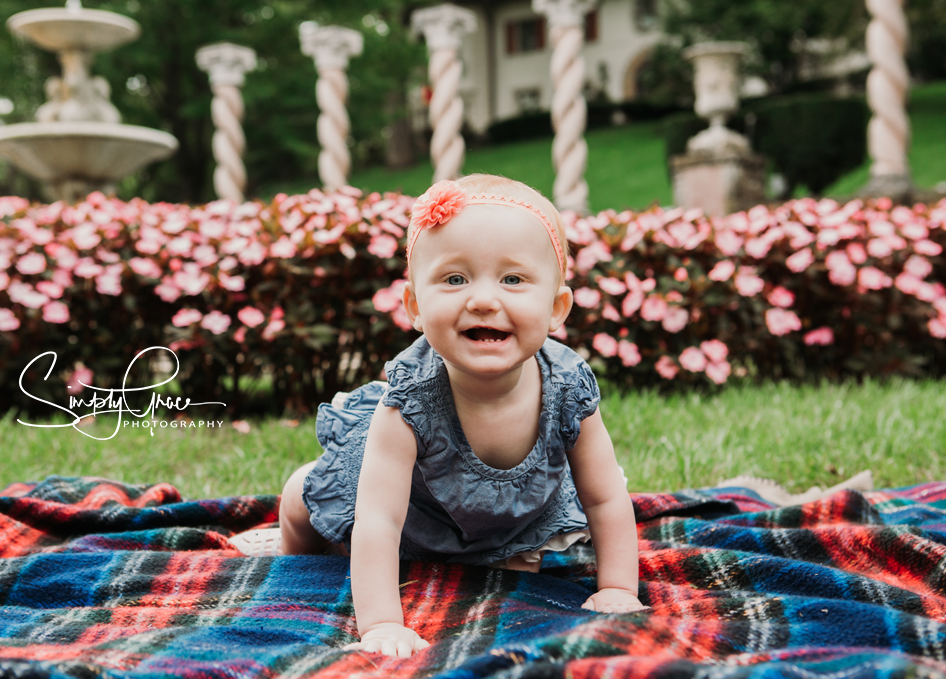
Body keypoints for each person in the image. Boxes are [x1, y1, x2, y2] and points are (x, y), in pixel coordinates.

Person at [230, 174, 644, 657]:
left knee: (523, 547)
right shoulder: (410, 402)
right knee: (306, 495)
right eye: (454, 279)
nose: (484, 299)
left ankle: (488, 552)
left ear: (556, 309)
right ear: (415, 307)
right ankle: (294, 559)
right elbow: (380, 519)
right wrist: (382, 623)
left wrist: (619, 588)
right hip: (408, 517)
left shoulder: (568, 388)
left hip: (503, 522)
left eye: (513, 279)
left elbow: (605, 498)